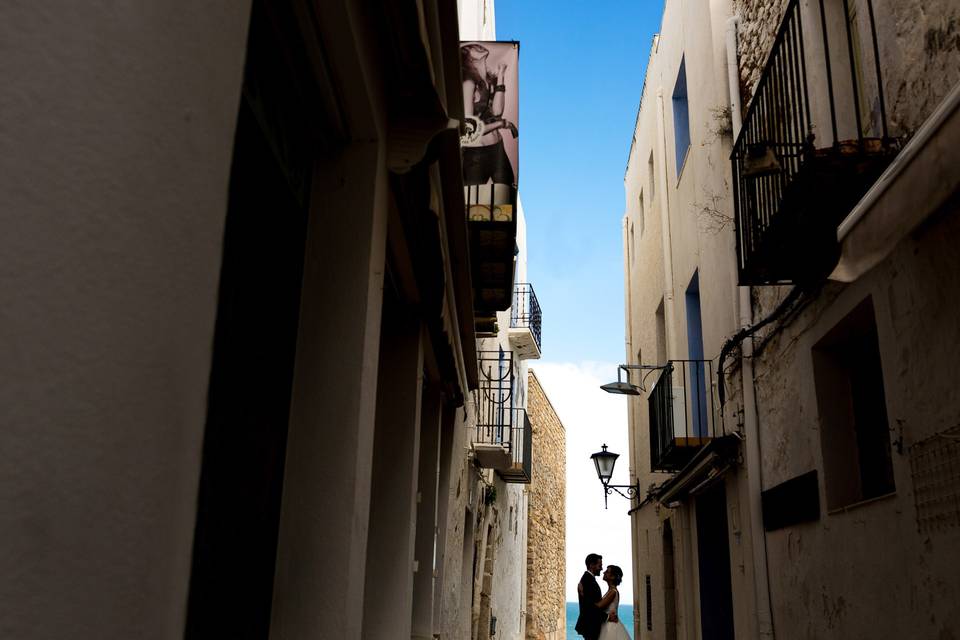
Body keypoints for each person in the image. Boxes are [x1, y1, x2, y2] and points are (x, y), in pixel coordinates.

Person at [460, 43, 517, 221]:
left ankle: (502, 239)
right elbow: (469, 129)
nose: (476, 45)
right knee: (475, 208)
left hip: (497, 150)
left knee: (505, 202)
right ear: (467, 57)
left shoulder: (487, 81)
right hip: (477, 155)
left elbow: (498, 111)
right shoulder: (469, 83)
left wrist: (500, 75)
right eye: (471, 47)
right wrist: (500, 124)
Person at [575, 553, 617, 640]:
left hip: (591, 624)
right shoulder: (588, 581)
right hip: (591, 625)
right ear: (591, 565)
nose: (601, 568)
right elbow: (590, 607)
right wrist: (608, 617)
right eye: (600, 565)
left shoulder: (588, 580)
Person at [597, 565, 631, 640]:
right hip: (607, 623)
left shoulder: (612, 592)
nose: (604, 572)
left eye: (607, 572)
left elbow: (598, 607)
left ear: (612, 577)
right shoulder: (610, 591)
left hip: (610, 626)